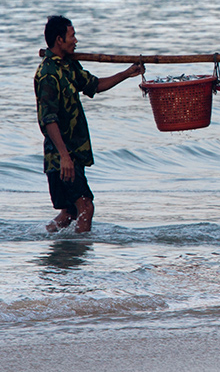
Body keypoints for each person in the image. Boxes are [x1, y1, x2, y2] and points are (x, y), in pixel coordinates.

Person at [35, 15, 144, 233]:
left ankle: (45, 242)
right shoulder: (47, 74)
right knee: (85, 206)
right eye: (72, 36)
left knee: (70, 212)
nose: (76, 40)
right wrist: (64, 156)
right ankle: (81, 256)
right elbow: (48, 120)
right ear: (59, 40)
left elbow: (94, 85)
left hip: (71, 154)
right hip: (61, 156)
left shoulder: (69, 65)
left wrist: (127, 73)